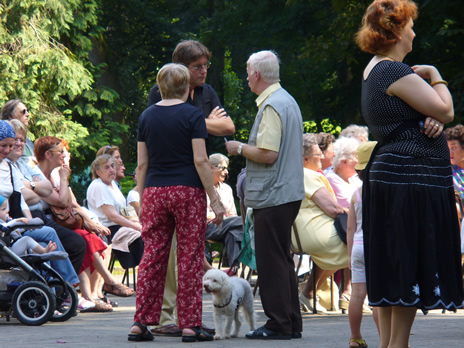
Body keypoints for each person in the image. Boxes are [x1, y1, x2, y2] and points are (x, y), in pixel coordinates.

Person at [357, 1, 463, 347]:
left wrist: (424, 118)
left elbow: (420, 114)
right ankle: (397, 345)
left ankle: (390, 344)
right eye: (411, 26)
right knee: (407, 260)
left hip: (395, 172)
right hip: (409, 175)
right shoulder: (392, 71)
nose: (414, 33)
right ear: (396, 32)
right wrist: (436, 76)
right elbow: (445, 109)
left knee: (393, 262)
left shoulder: (377, 70)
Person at [128, 63, 224, 342]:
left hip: (155, 191)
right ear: (186, 88)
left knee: (152, 257)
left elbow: (142, 164)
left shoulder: (146, 116)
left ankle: (140, 323)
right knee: (190, 257)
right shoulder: (193, 115)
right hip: (187, 191)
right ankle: (190, 325)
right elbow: (200, 160)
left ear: (160, 87)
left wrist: (143, 198)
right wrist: (214, 199)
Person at [147, 39, 235, 338]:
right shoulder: (155, 94)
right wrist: (198, 119)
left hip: (191, 181)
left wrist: (193, 119)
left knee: (190, 253)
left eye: (206, 65)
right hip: (176, 181)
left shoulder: (207, 93)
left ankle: (185, 320)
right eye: (197, 67)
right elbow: (162, 129)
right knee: (168, 253)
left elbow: (229, 128)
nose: (204, 71)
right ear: (180, 70)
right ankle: (166, 317)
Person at [226, 50, 304, 340]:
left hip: (274, 194)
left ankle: (278, 324)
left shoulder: (271, 105)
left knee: (271, 262)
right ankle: (291, 322)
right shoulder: (287, 100)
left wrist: (239, 148)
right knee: (282, 259)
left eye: (248, 72)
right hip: (287, 192)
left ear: (256, 74)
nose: (246, 78)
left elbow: (268, 155)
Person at [34, 136, 134, 310]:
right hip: (49, 221)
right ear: (49, 155)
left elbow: (72, 204)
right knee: (84, 240)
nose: (65, 156)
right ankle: (89, 292)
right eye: (62, 152)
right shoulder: (40, 175)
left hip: (64, 222)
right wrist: (64, 180)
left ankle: (95, 294)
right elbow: (63, 202)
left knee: (94, 239)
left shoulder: (56, 176)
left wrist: (90, 222)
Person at [5, 120, 80, 286]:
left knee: (70, 241)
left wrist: (33, 187)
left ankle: (56, 290)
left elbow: (45, 191)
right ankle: (66, 285)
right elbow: (30, 197)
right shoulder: (7, 168)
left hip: (31, 220)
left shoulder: (22, 166)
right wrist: (38, 189)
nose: (18, 144)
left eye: (22, 140)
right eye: (13, 141)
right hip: (16, 225)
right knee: (54, 236)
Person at [293, 133, 348, 313]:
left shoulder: (292, 174)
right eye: (318, 155)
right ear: (306, 158)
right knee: (361, 243)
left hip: (301, 234)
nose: (323, 157)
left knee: (349, 243)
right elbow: (334, 210)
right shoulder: (308, 175)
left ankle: (309, 293)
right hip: (314, 233)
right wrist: (356, 215)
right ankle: (356, 296)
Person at [347, 141, 379, 348]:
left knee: (357, 295)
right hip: (377, 247)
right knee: (379, 296)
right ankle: (388, 339)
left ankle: (355, 337)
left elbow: (350, 228)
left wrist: (350, 255)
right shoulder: (385, 190)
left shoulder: (356, 193)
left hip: (358, 247)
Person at [205, 153, 243, 273]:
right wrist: (224, 217)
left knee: (234, 233)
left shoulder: (227, 188)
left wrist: (227, 218)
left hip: (227, 226)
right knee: (244, 222)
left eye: (227, 168)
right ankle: (254, 223)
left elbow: (233, 214)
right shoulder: (200, 187)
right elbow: (203, 215)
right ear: (211, 167)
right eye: (223, 168)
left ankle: (233, 270)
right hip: (207, 228)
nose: (226, 172)